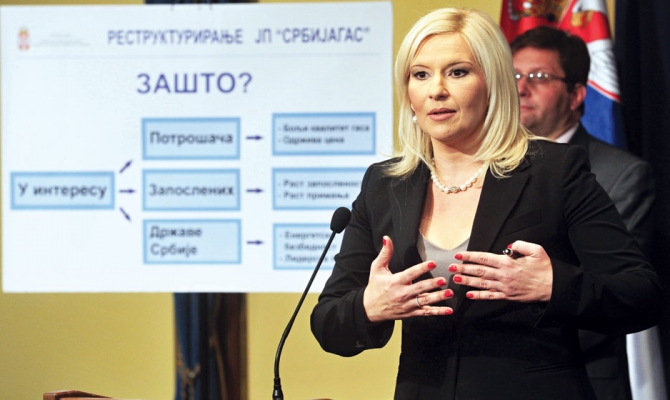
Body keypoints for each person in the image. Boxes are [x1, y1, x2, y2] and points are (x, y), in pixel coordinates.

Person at [310, 7, 664, 400]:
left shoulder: (553, 172)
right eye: (420, 74)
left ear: (493, 82)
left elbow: (641, 295)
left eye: (457, 72)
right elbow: (328, 323)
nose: (436, 90)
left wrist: (553, 285)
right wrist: (370, 306)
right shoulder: (385, 184)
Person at [510, 26, 657, 400]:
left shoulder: (620, 175)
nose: (521, 88)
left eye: (539, 76)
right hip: (491, 376)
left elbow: (618, 294)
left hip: (581, 378)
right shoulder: (482, 169)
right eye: (513, 75)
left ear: (576, 94)